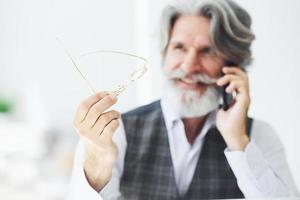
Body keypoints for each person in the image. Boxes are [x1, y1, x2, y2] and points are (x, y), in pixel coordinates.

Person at [67, 0, 299, 199]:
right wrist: (99, 161)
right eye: (179, 47)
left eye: (207, 51)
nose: (188, 66)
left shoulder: (258, 136)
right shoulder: (115, 133)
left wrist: (238, 141)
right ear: (165, 54)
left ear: (233, 65)